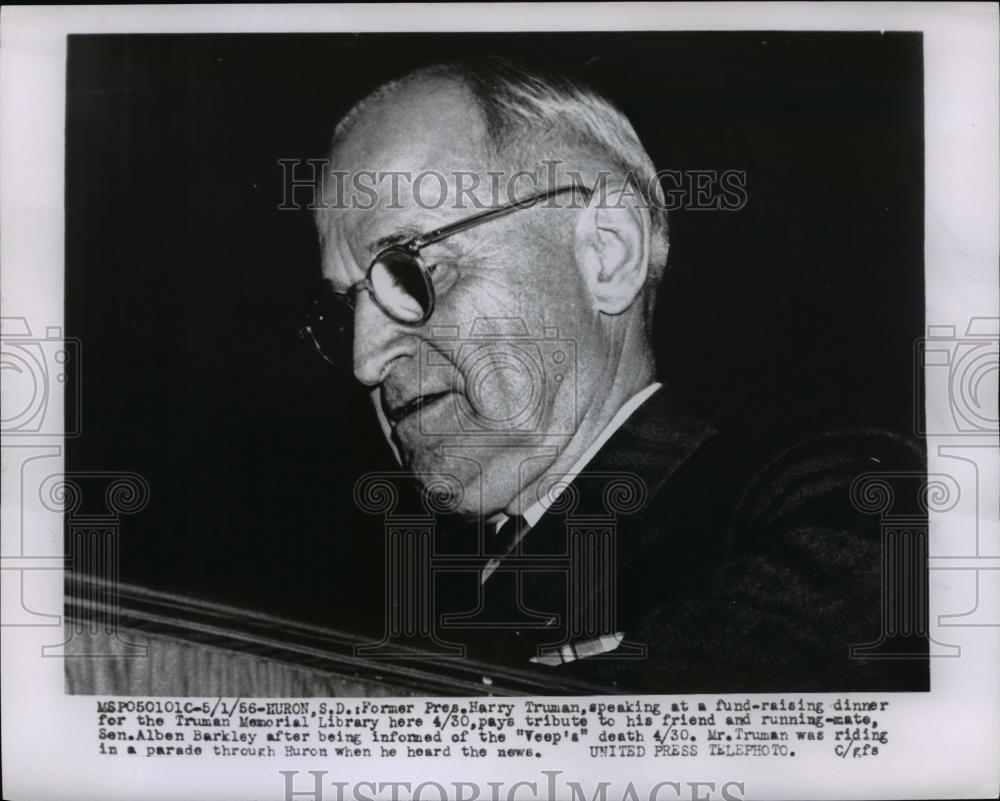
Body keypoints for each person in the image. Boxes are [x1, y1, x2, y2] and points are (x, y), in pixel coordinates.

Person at [304, 58, 928, 692]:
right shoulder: (420, 600)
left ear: (607, 253)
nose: (366, 360)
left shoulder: (830, 497)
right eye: (349, 305)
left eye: (411, 273)